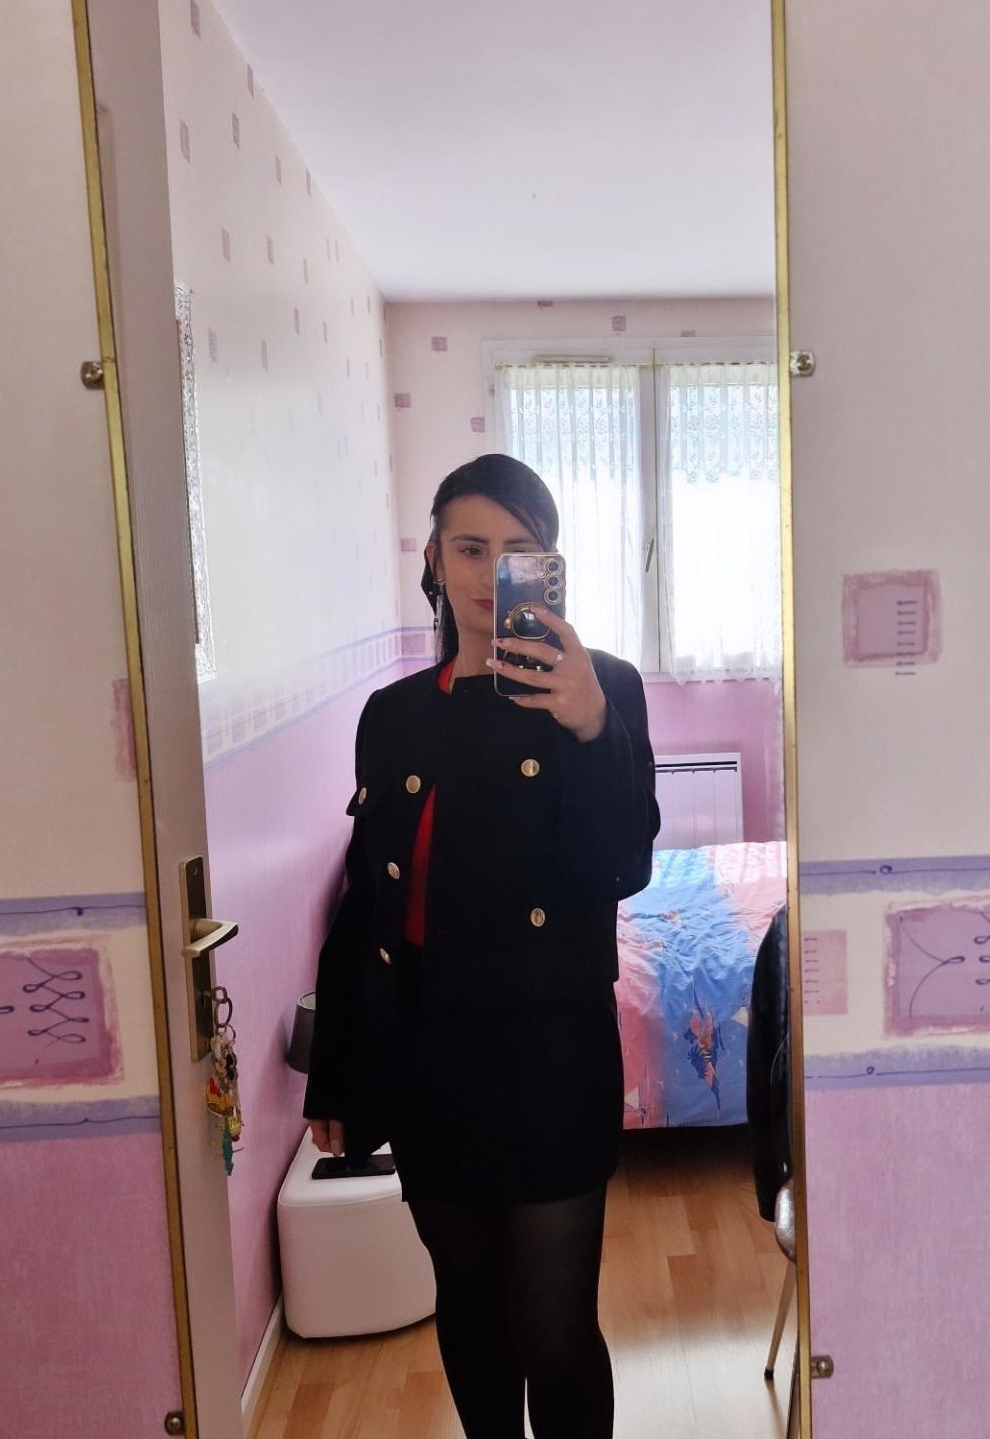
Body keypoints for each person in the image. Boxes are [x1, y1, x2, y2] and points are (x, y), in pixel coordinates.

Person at [303, 453, 660, 1439]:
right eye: (469, 547)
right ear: (433, 557)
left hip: (551, 1059)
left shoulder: (607, 687)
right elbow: (368, 904)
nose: (486, 571)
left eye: (516, 550)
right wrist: (336, 1072)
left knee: (554, 1333)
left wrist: (590, 726)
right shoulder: (394, 716)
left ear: (549, 568)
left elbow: (621, 865)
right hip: (427, 1061)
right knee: (467, 1310)